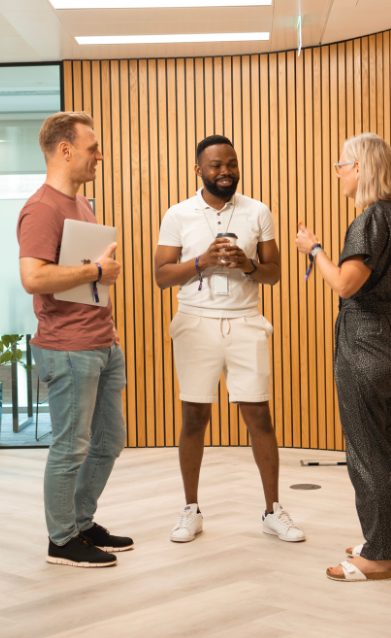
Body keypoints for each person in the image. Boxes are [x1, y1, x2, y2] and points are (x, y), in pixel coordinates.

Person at [154, 134, 305, 544]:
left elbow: (274, 273)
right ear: (199, 169)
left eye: (231, 164)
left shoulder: (258, 211)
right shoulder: (179, 214)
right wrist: (201, 261)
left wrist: (249, 265)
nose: (225, 172)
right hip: (195, 322)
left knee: (259, 417)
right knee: (194, 418)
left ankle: (273, 511)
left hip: (245, 321)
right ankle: (190, 510)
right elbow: (161, 276)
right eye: (216, 165)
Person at [296, 132, 391, 582]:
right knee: (387, 444)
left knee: (366, 449)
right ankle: (390, 540)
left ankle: (377, 558)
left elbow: (346, 284)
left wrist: (314, 249)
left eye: (342, 164)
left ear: (361, 168)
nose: (339, 172)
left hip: (365, 340)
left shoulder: (369, 219)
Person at [17, 111, 133, 568]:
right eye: (93, 147)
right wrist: (97, 272)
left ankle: (82, 523)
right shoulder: (41, 208)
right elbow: (33, 277)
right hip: (66, 348)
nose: (99, 155)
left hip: (100, 342)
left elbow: (86, 278)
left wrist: (108, 318)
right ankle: (61, 540)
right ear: (65, 150)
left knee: (109, 441)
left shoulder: (82, 204)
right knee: (70, 446)